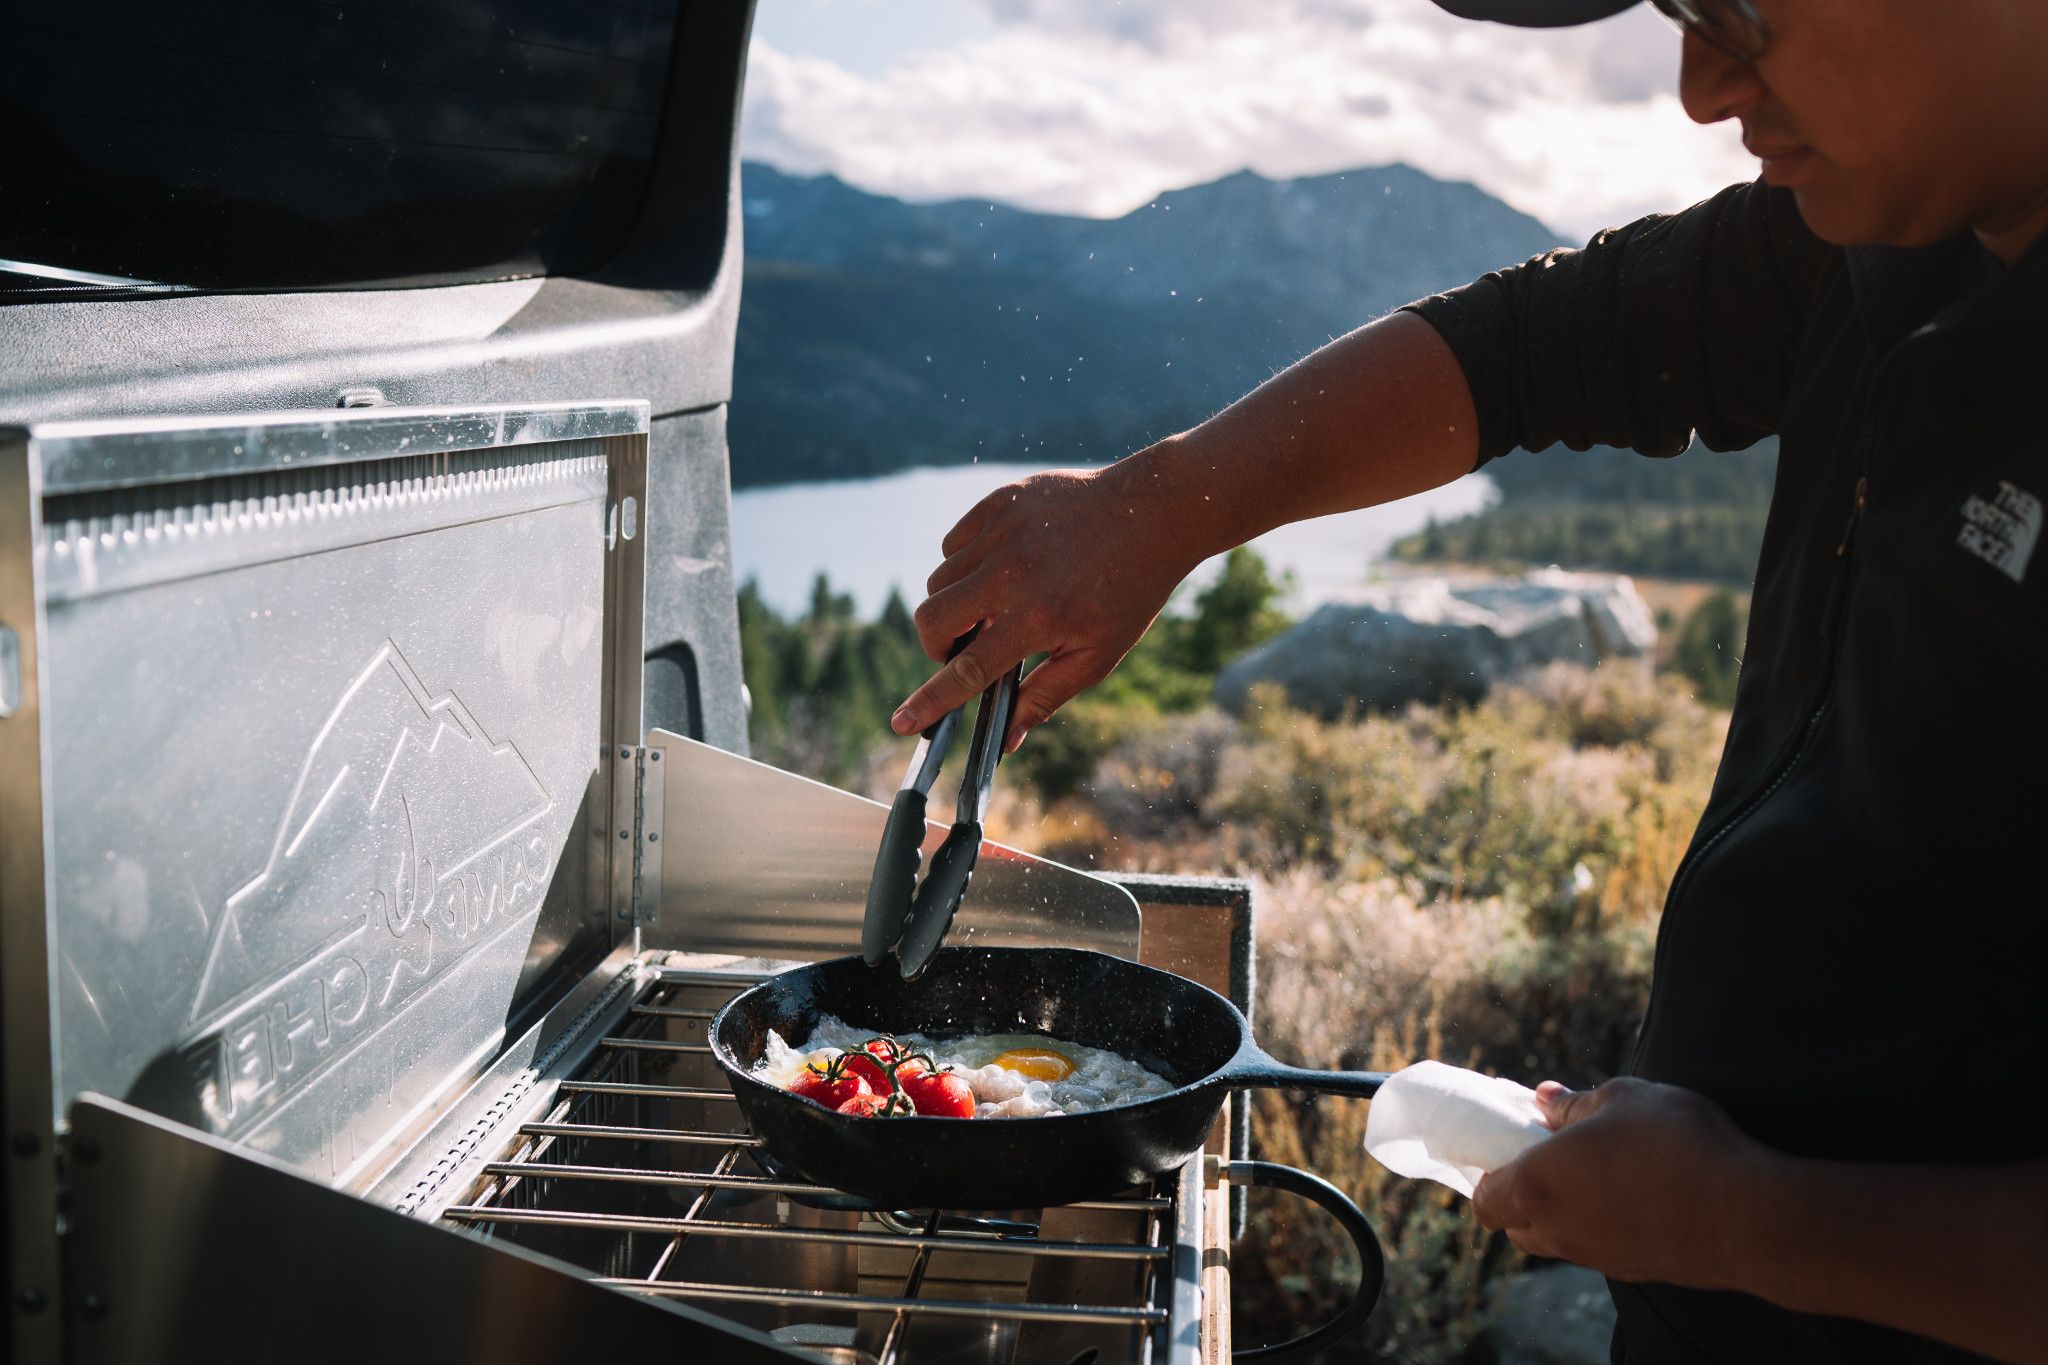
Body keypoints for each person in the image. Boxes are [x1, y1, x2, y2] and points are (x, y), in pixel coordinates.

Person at [887, 1, 2048, 1361]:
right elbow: (1537, 345)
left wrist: (1752, 1221)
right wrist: (1164, 507)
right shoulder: (1891, 237)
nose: (1698, 86)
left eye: (1742, 8)